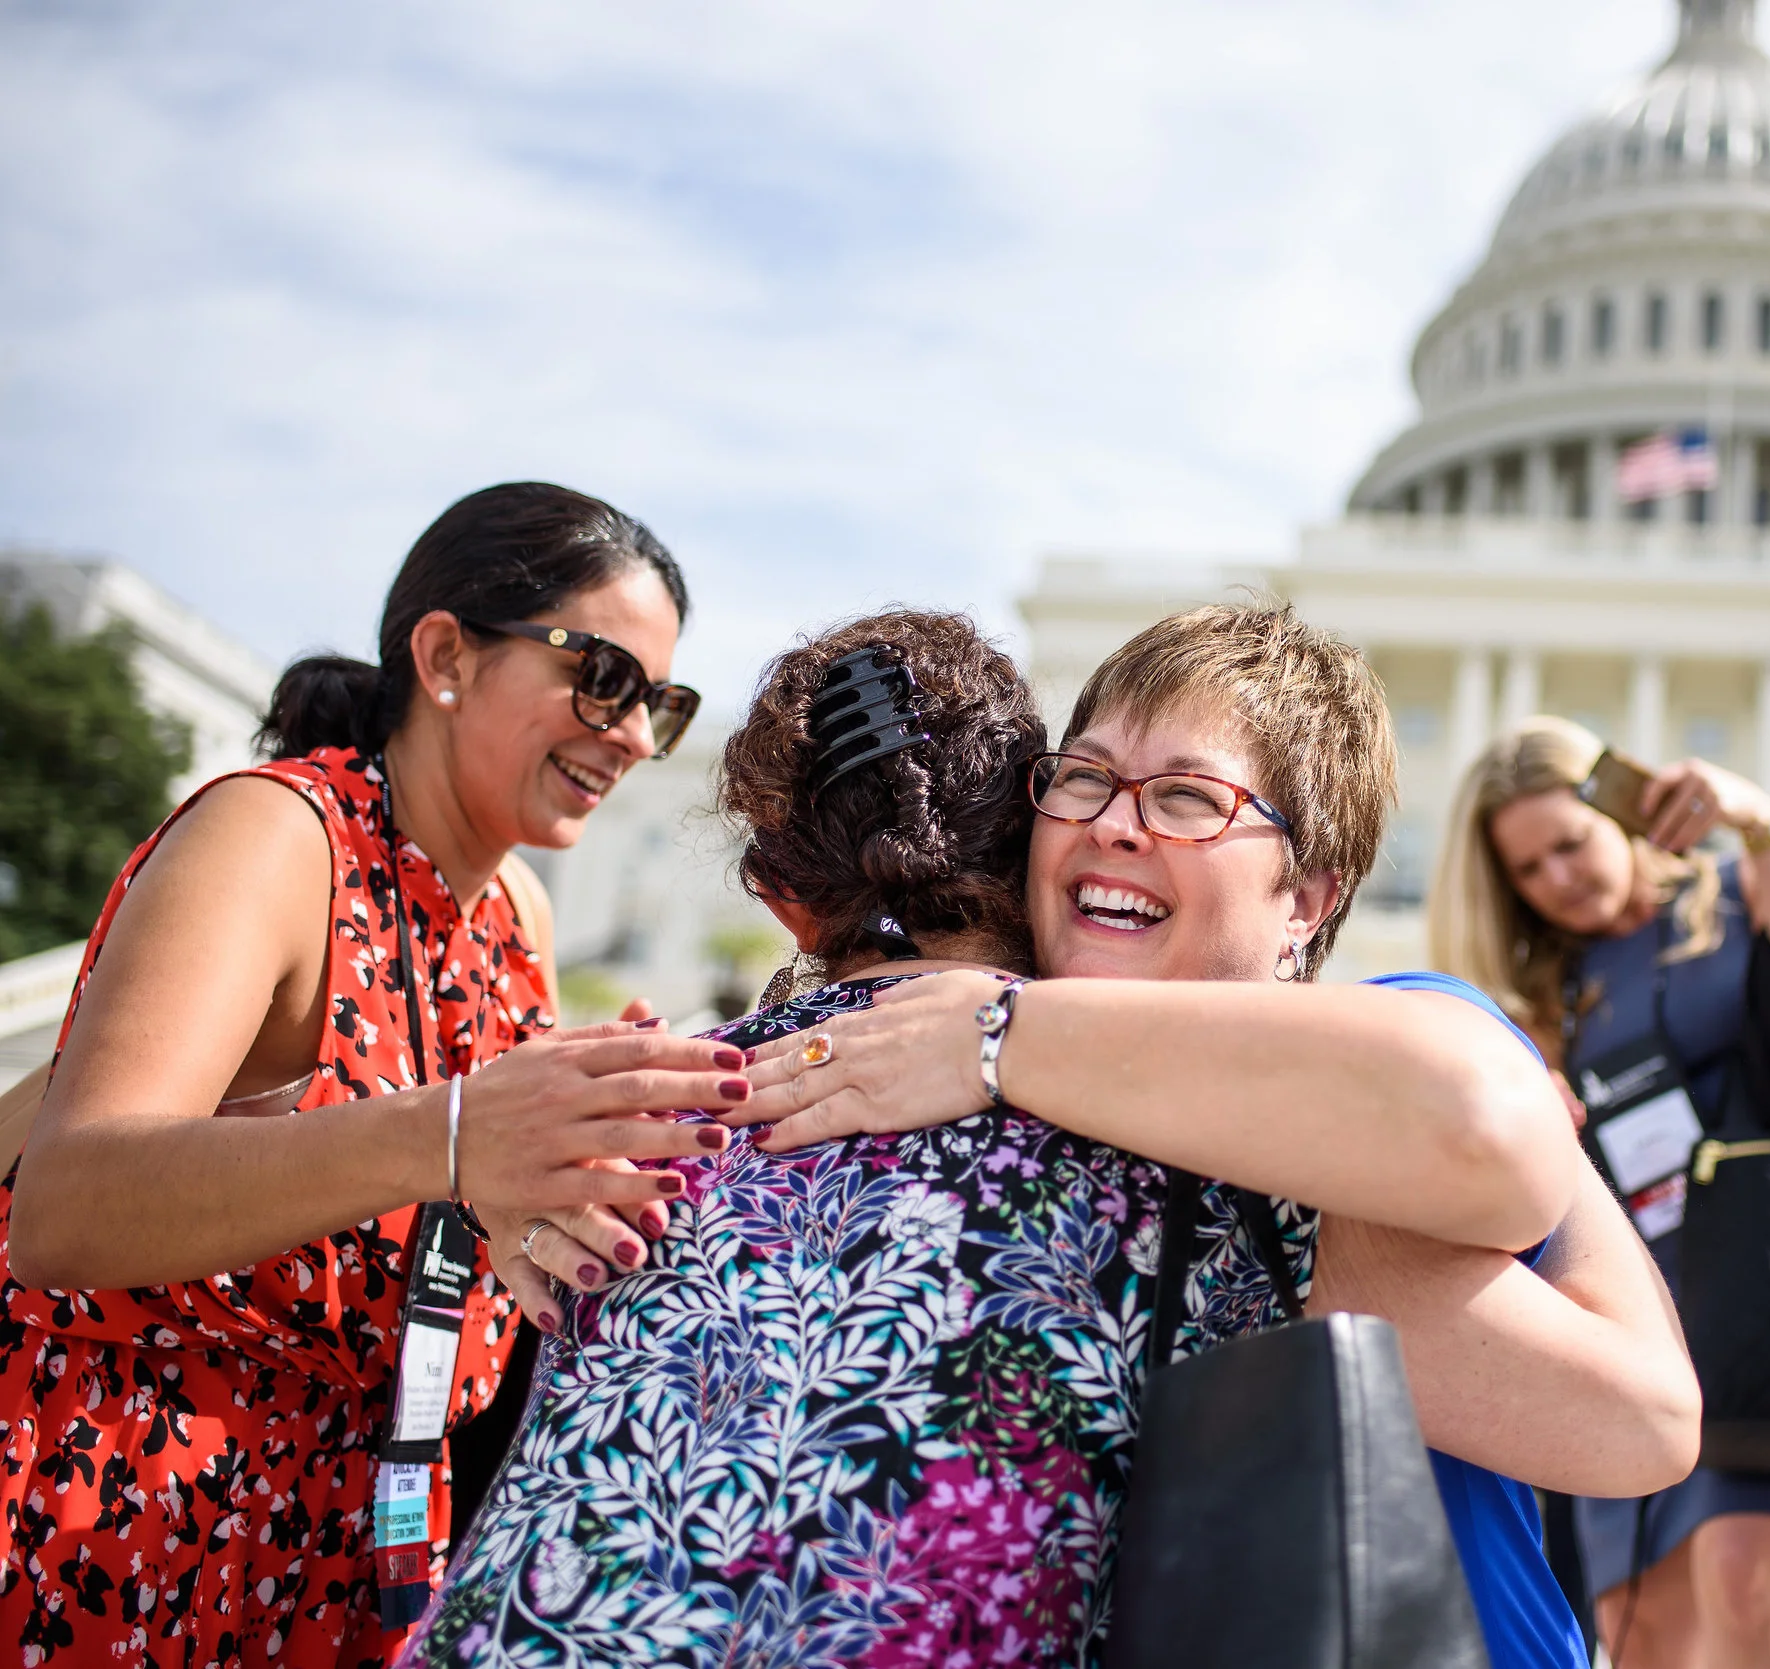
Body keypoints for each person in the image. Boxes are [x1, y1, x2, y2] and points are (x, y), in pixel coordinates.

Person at [413, 606, 1671, 1666]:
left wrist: (999, 1035)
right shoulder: (897, 1084)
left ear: (1311, 898)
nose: (1118, 823)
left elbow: (1638, 1416)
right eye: (1081, 780)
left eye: (1188, 798)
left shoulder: (1320, 1094)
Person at [0, 483, 749, 1669]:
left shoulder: (515, 915)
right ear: (446, 654)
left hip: (350, 1575)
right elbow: (63, 1205)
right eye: (605, 679)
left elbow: (448, 1224)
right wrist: (452, 1133)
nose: (639, 738)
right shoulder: (275, 837)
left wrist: (557, 1196)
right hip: (115, 1543)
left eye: (661, 701)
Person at [1430, 716, 1770, 1669]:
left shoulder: (1733, 892)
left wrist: (1756, 824)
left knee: (1747, 1577)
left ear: (1621, 816)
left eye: (1569, 843)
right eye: (1527, 869)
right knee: (1644, 1621)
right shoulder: (1557, 988)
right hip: (1632, 1308)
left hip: (1769, 1296)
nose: (1557, 878)